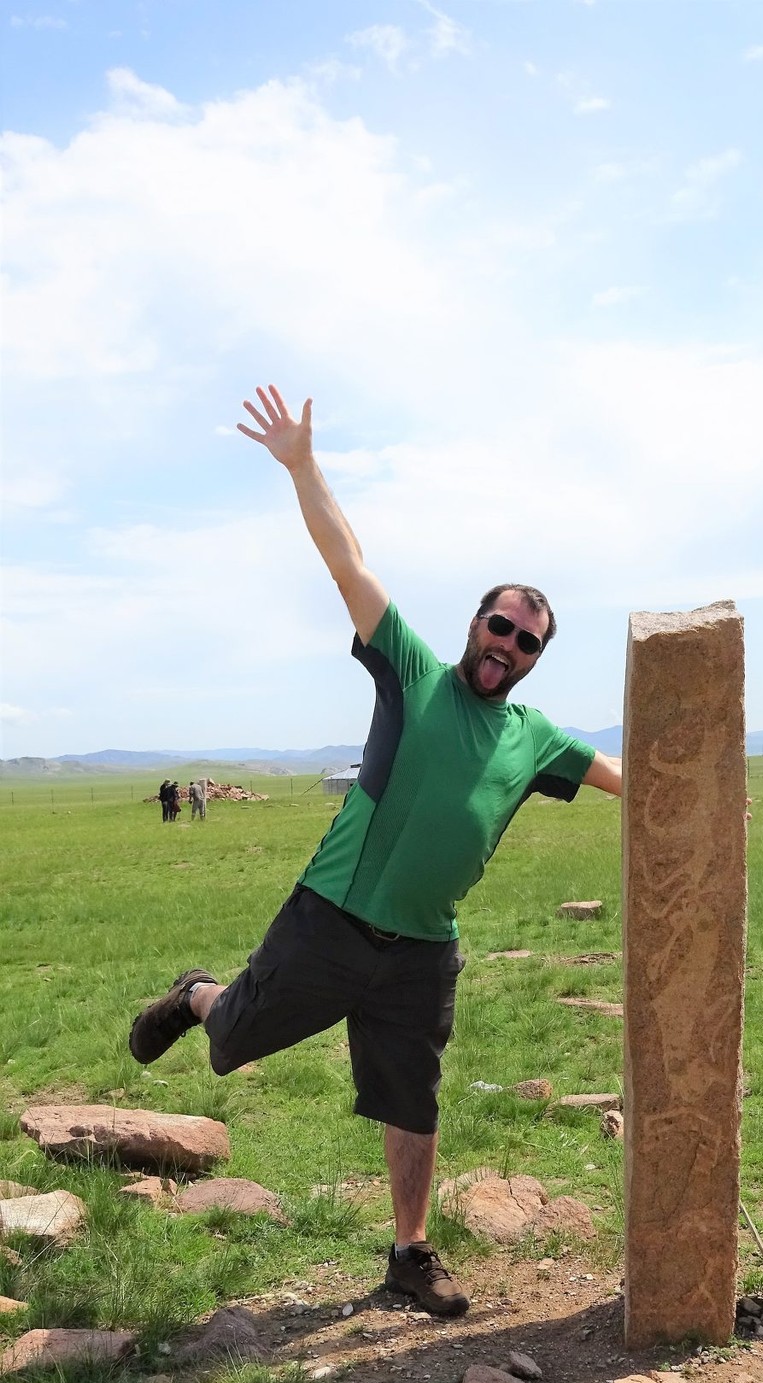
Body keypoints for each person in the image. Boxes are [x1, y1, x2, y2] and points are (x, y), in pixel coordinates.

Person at [129, 383, 622, 1317]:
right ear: (475, 624)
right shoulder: (411, 670)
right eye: (500, 625)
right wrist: (303, 465)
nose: (508, 645)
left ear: (533, 659)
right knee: (231, 1043)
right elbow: (344, 557)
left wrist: (715, 801)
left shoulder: (534, 736)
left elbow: (623, 777)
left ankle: (409, 1253)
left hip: (423, 946)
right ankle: (199, 993)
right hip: (332, 920)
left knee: (412, 1099)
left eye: (526, 642)